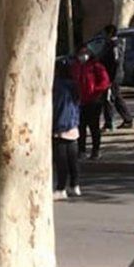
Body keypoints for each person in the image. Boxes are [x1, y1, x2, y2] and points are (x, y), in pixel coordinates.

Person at [70, 46, 110, 160]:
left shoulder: (96, 66)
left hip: (94, 101)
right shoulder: (75, 66)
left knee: (94, 127)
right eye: (81, 53)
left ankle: (95, 150)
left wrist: (95, 90)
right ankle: (81, 150)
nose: (83, 55)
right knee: (81, 127)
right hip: (79, 101)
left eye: (85, 52)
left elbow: (105, 81)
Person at [52, 58, 82, 199]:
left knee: (61, 160)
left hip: (60, 126)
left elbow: (56, 106)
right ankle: (75, 185)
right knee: (72, 159)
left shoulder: (57, 86)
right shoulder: (73, 85)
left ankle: (61, 188)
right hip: (73, 125)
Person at [100, 25, 133, 130]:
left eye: (104, 33)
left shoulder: (114, 45)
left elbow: (116, 62)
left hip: (112, 77)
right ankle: (127, 119)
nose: (103, 35)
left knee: (108, 99)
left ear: (109, 33)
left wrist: (111, 78)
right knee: (117, 97)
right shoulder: (110, 44)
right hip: (111, 76)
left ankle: (109, 123)